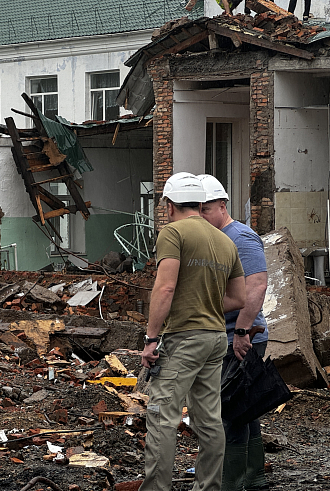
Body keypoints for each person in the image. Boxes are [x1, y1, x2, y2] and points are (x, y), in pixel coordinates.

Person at [140, 172, 246, 491]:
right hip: (215, 339)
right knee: (210, 420)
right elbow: (239, 297)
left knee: (161, 415)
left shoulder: (173, 233)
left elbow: (166, 286)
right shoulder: (225, 240)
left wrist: (151, 337)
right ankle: (209, 487)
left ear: (170, 206)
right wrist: (207, 305)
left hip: (183, 338)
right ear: (200, 204)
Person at [199, 174, 270, 491]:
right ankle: (254, 476)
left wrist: (242, 331)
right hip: (225, 336)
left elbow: (257, 285)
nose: (200, 215)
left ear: (222, 205)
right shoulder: (211, 239)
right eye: (196, 209)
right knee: (246, 408)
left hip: (242, 337)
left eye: (205, 208)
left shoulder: (240, 237)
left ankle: (231, 482)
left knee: (230, 412)